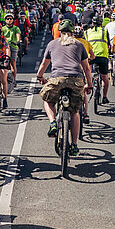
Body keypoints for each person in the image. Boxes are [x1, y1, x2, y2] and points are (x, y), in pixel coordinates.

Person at [36, 20, 93, 157]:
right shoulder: (79, 45)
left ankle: (52, 123)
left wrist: (40, 76)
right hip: (76, 80)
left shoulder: (52, 44)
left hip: (57, 79)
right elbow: (86, 68)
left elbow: (44, 64)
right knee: (75, 112)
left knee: (47, 99)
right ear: (72, 32)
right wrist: (89, 84)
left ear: (59, 32)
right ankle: (74, 145)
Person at [84, 16, 112, 105]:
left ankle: (88, 84)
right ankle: (105, 97)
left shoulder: (87, 32)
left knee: (87, 71)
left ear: (92, 23)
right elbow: (109, 45)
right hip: (103, 56)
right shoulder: (105, 31)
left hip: (90, 56)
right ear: (101, 24)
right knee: (105, 77)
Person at [74, 25, 95, 124]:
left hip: (72, 68)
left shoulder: (70, 42)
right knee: (84, 92)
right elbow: (92, 56)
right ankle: (86, 114)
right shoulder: (86, 43)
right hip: (83, 68)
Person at [2, 14, 22, 81]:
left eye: (10, 19)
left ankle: (14, 80)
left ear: (13, 20)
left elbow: (18, 35)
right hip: (4, 47)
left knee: (13, 63)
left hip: (13, 46)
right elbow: (0, 37)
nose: (9, 20)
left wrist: (17, 41)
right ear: (5, 20)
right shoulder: (3, 29)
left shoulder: (16, 28)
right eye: (7, 19)